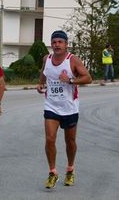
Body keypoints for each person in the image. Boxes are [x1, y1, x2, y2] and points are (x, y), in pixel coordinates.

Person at [37, 30, 92, 189]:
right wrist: (40, 84)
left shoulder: (72, 60)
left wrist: (70, 80)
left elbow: (88, 78)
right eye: (54, 42)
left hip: (69, 108)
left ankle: (70, 169)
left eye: (60, 42)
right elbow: (44, 73)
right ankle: (53, 172)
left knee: (70, 141)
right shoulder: (46, 59)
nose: (57, 45)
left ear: (66, 44)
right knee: (50, 139)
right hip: (51, 106)